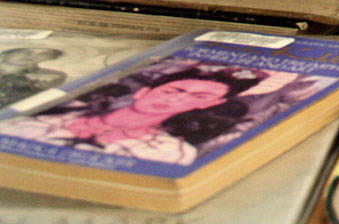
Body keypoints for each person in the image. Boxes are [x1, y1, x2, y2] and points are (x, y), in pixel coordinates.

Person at [0, 65, 262, 165]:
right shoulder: (35, 120)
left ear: (208, 106)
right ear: (144, 91)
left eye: (199, 97)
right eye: (175, 89)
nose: (178, 99)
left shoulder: (171, 153)